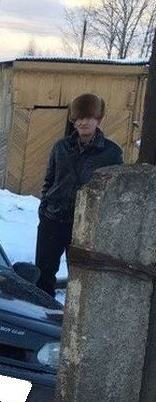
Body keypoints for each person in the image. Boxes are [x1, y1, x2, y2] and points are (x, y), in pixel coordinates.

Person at [35, 93, 123, 297]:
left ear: (98, 119)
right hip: (52, 219)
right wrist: (44, 207)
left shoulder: (111, 153)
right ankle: (41, 320)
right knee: (42, 275)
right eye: (79, 118)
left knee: (80, 278)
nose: (83, 122)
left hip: (84, 225)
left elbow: (114, 193)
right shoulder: (61, 147)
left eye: (88, 117)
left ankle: (73, 324)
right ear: (73, 121)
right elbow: (49, 180)